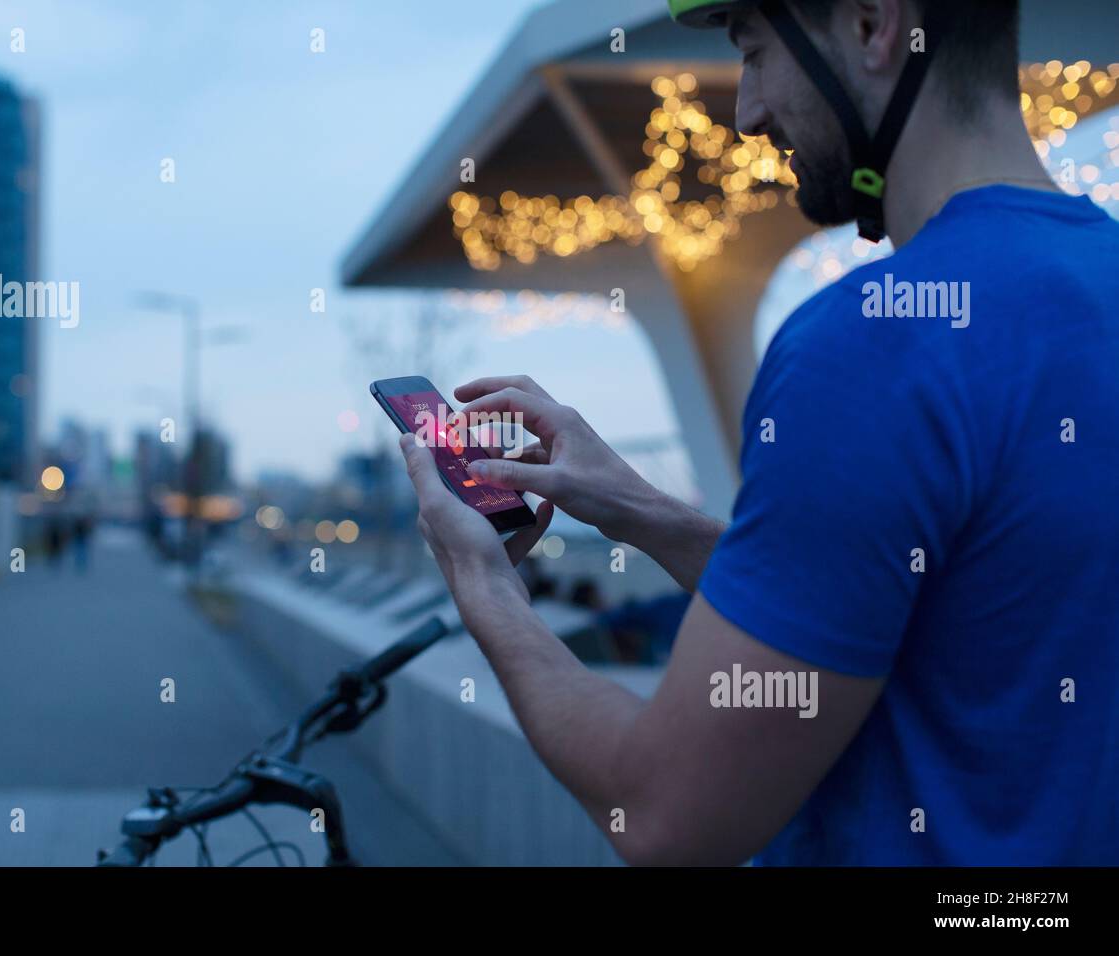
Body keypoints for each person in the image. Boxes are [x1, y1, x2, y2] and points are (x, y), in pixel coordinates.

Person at [399, 0, 1119, 865]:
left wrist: (483, 583)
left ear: (871, 23)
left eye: (755, 50)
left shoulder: (871, 343)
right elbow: (923, 622)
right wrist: (643, 511)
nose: (747, 111)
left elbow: (663, 812)